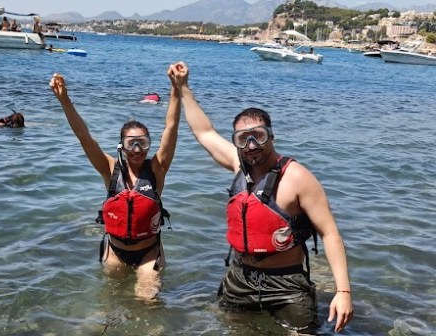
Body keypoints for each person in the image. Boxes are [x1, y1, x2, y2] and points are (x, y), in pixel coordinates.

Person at [167, 61, 353, 334]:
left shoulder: (298, 177)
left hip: (286, 283)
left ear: (271, 136)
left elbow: (330, 234)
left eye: (258, 136)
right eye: (243, 139)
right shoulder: (238, 165)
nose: (251, 145)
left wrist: (343, 291)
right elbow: (204, 132)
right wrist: (183, 88)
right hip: (241, 276)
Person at [49, 70, 181, 300]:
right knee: (108, 304)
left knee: (147, 301)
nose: (137, 150)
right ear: (122, 146)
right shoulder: (108, 168)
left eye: (143, 143)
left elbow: (171, 128)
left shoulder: (157, 169)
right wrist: (65, 100)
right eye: (132, 144)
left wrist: (176, 90)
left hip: (148, 253)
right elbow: (84, 136)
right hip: (115, 252)